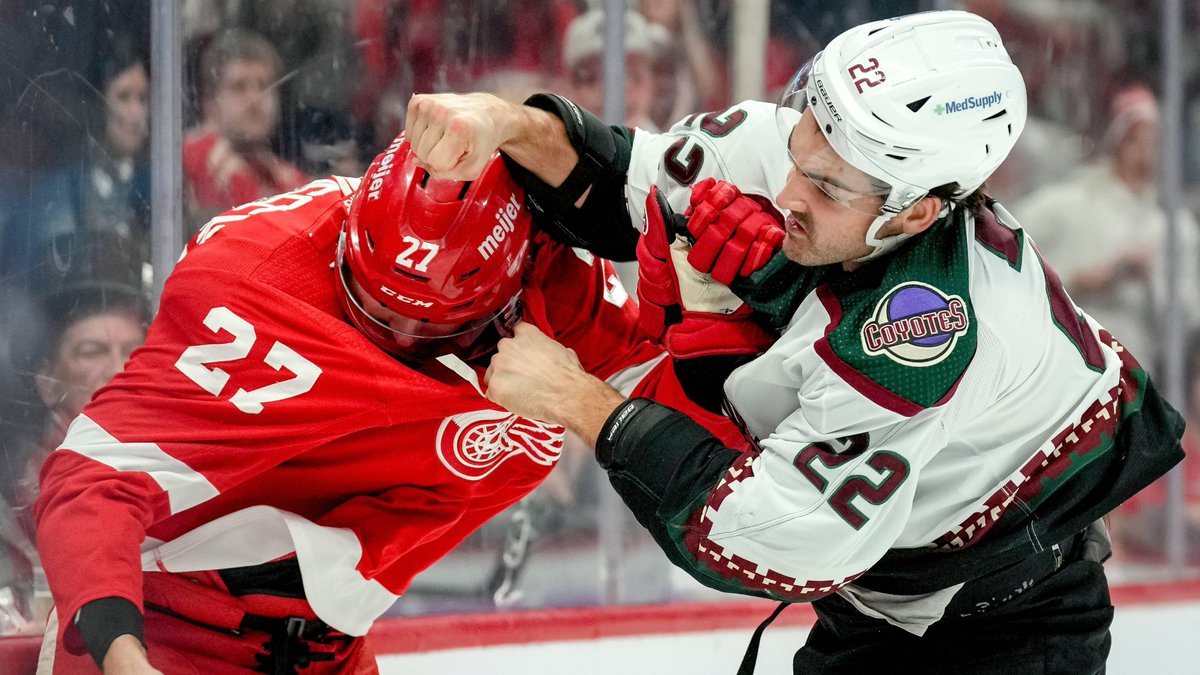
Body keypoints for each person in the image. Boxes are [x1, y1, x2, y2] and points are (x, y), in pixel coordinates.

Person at [405, 9, 1185, 673]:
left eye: (827, 187)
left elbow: (766, 533)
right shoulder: (818, 152)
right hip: (885, 594)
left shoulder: (921, 334)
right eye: (804, 146)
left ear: (917, 212)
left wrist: (581, 401)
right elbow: (624, 175)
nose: (787, 192)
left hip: (1008, 624)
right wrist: (505, 121)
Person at [33, 135, 737, 673]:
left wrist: (725, 319)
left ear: (513, 280)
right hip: (169, 632)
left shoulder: (564, 295)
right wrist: (123, 658)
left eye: (431, 326)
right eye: (373, 305)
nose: (397, 333)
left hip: (331, 648)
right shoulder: (251, 285)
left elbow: (708, 432)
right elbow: (90, 481)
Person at [1015, 84, 1200, 368]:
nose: (1145, 151)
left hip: (1137, 367)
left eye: (1154, 140)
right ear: (1117, 141)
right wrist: (1080, 279)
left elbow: (1185, 321)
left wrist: (1152, 278)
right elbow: (1008, 242)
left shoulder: (1174, 227)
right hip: (1069, 359)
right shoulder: (1073, 203)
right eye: (1136, 139)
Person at [184, 29, 308, 232]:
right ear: (210, 102)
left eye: (263, 86)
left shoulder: (290, 179)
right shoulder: (185, 160)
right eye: (239, 87)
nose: (254, 99)